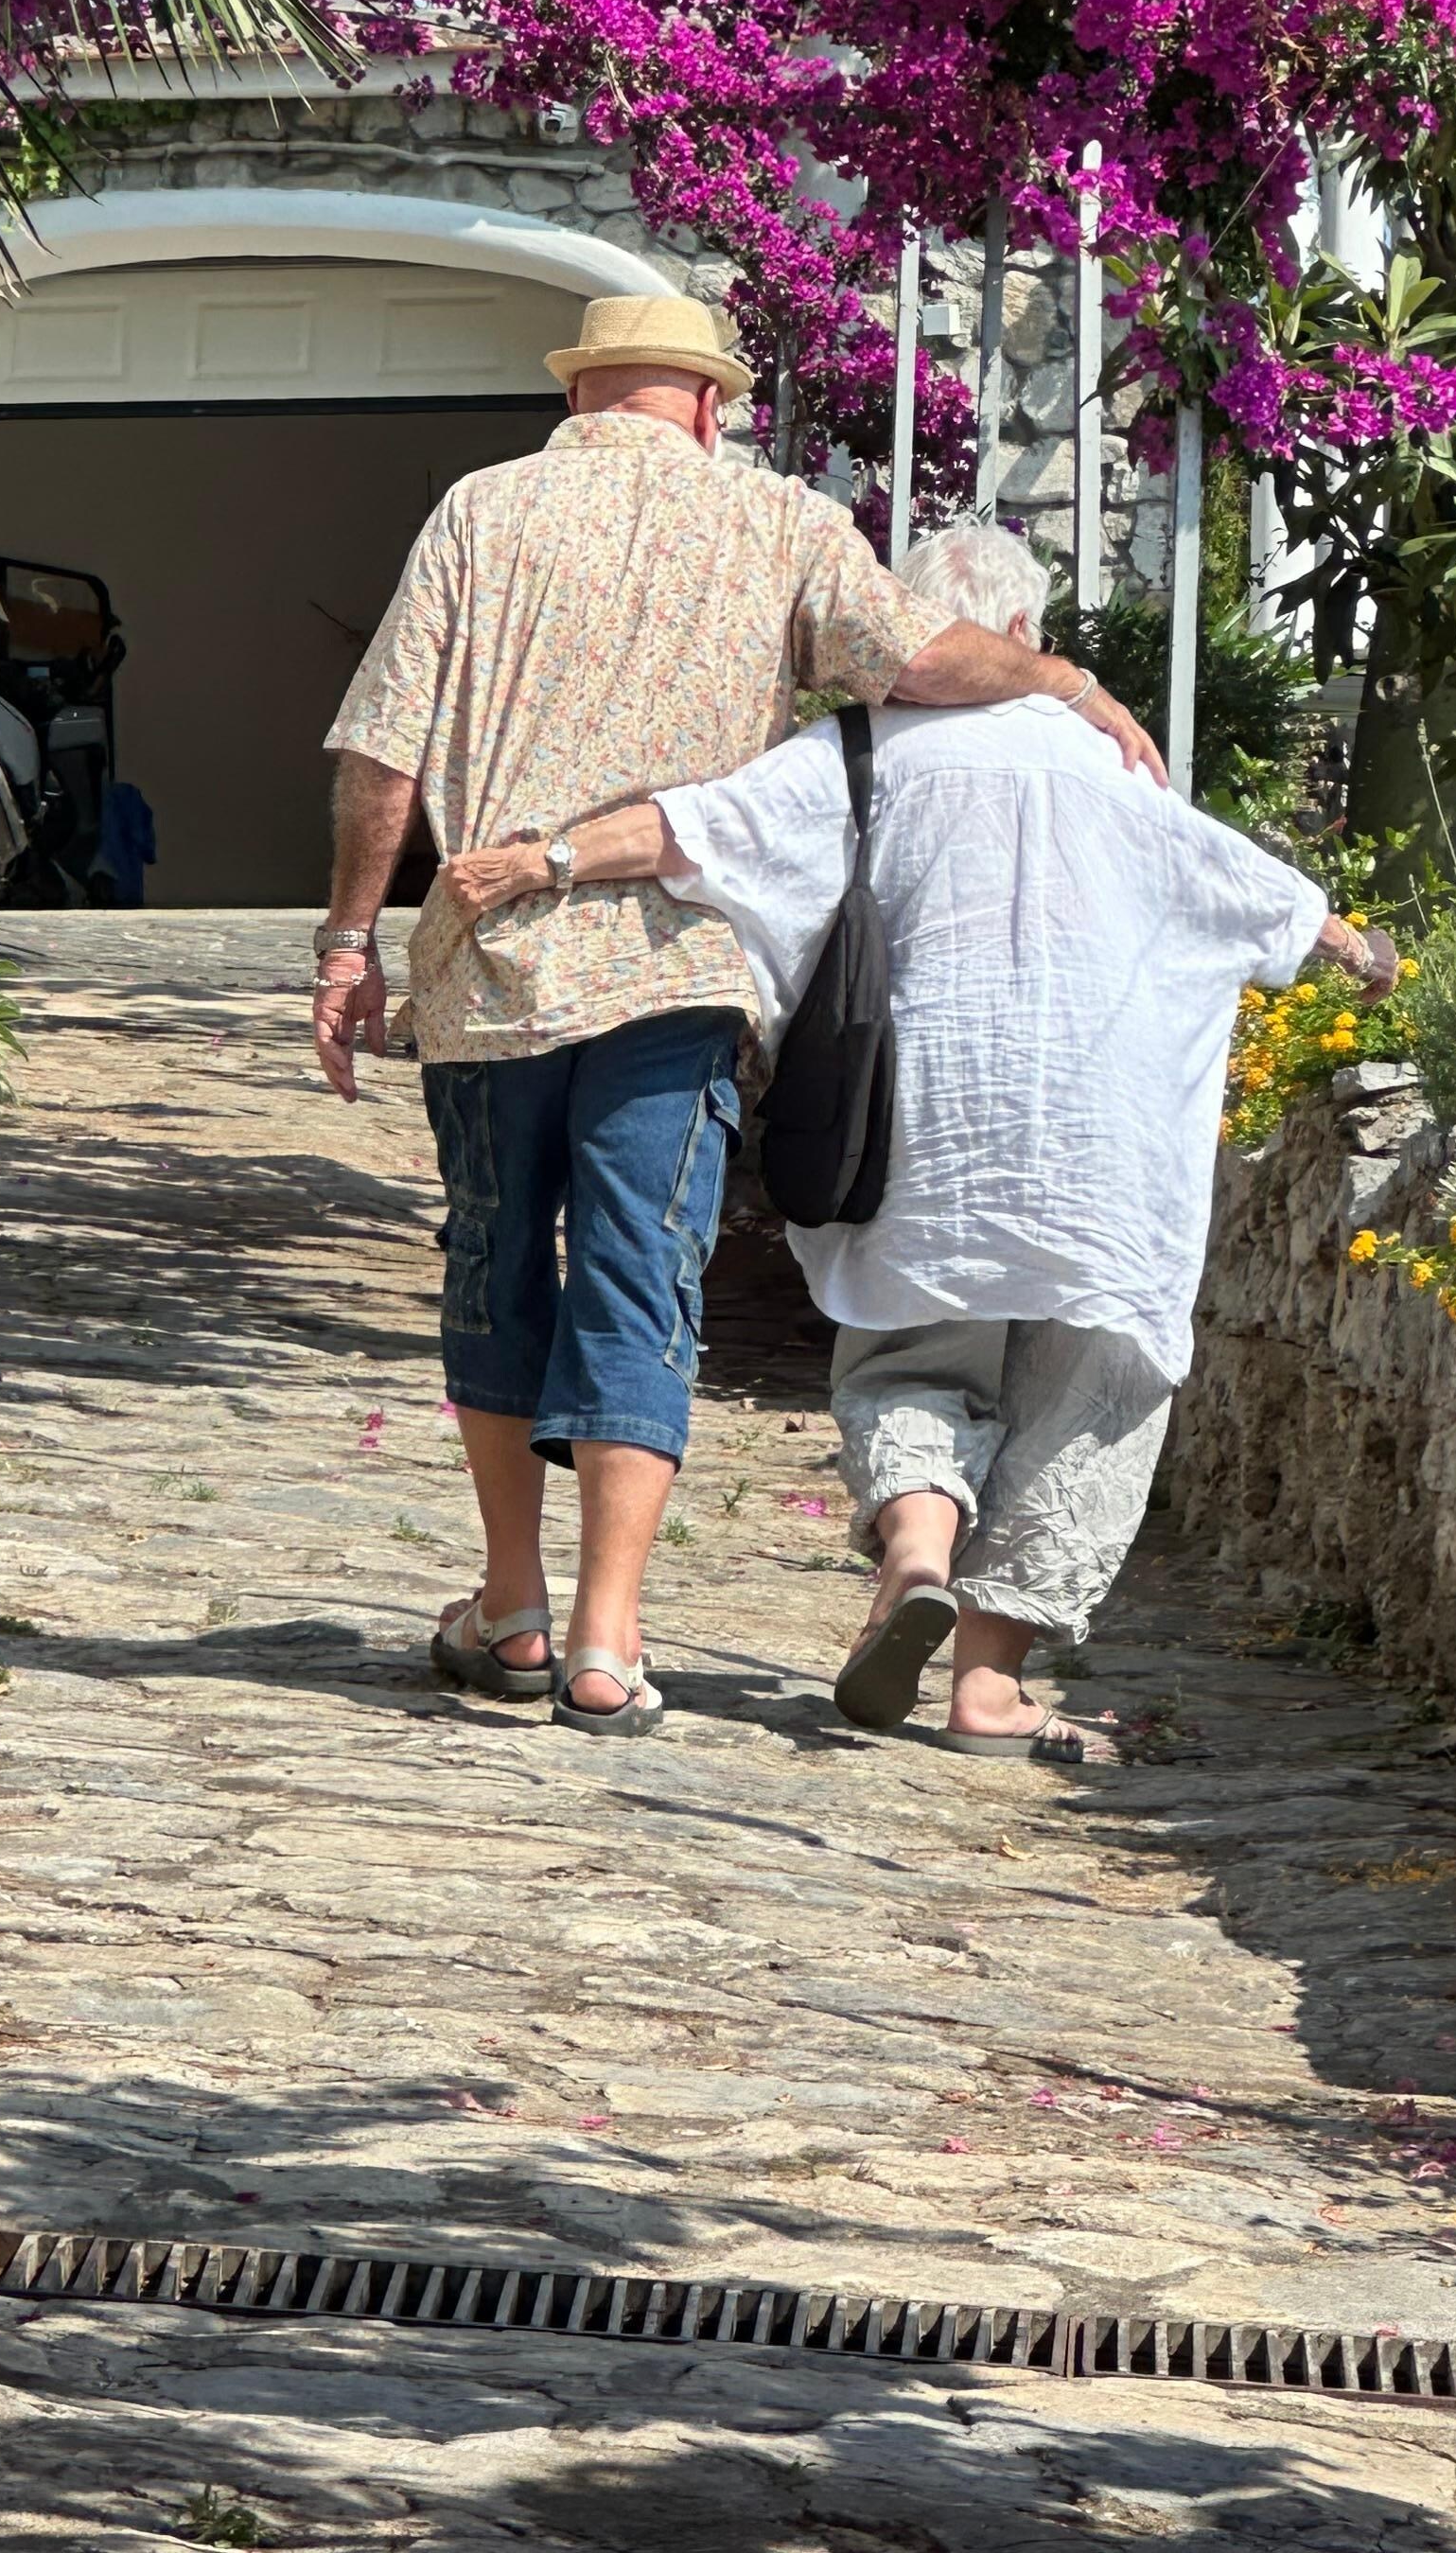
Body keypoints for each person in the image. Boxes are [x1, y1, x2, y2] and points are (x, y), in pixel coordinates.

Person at [316, 294, 1167, 1740]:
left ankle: (510, 1606)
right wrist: (1065, 678)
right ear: (708, 406)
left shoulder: (477, 510)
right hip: (675, 973)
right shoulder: (780, 521)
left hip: (492, 974)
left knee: (498, 1266)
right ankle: (606, 1640)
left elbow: (382, 751)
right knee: (644, 1281)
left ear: (581, 396)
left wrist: (348, 943)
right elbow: (921, 661)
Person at [439, 517, 1395, 1762]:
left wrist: (543, 858)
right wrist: (1357, 950)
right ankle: (989, 1686)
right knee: (1098, 1376)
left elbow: (688, 831)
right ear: (1022, 639)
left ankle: (919, 1544)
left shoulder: (852, 755)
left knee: (909, 1361)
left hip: (922, 1129)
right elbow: (1239, 883)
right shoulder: (1103, 757)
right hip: (1103, 1147)